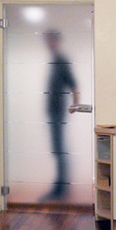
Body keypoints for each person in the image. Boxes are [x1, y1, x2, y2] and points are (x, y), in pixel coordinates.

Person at [43, 30, 80, 201]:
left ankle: (61, 187)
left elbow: (73, 84)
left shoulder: (62, 61)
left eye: (50, 40)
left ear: (56, 41)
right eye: (47, 40)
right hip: (53, 112)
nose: (48, 43)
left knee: (59, 149)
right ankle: (60, 185)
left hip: (58, 112)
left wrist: (75, 105)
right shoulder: (54, 61)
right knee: (57, 149)